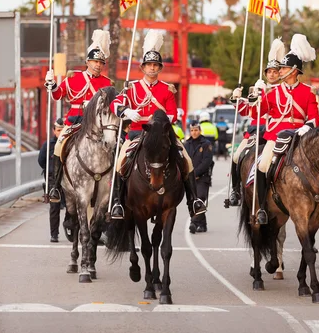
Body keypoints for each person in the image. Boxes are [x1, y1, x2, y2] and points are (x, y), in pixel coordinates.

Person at [109, 30, 206, 219]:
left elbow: (172, 113)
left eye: (155, 65)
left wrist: (163, 121)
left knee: (185, 159)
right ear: (143, 68)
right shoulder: (132, 88)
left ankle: (193, 200)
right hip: (137, 133)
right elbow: (115, 103)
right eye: (149, 65)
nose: (152, 68)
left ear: (159, 68)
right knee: (120, 162)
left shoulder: (167, 90)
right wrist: (126, 111)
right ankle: (117, 203)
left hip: (162, 134)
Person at [251, 33, 319, 224]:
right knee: (263, 166)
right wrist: (257, 96)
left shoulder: (307, 92)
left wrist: (305, 128)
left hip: (300, 137)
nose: (279, 71)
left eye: (284, 68)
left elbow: (314, 118)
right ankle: (263, 208)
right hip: (276, 137)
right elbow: (256, 113)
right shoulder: (272, 92)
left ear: (295, 70)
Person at [43, 29, 112, 203]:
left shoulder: (107, 83)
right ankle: (55, 187)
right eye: (95, 61)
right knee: (59, 146)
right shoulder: (74, 78)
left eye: (101, 62)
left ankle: (115, 190)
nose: (97, 65)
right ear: (87, 61)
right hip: (76, 120)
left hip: (98, 125)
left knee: (114, 146)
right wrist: (51, 85)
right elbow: (58, 95)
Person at [228, 38, 284, 206]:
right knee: (238, 155)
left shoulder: (282, 91)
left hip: (275, 130)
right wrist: (237, 99)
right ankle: (236, 190)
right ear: (266, 74)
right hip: (255, 130)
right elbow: (247, 112)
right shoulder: (258, 88)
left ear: (281, 73)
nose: (272, 74)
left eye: (276, 71)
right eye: (270, 72)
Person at [38, 118, 66, 242]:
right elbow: (41, 161)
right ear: (54, 131)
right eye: (58, 130)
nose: (60, 132)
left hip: (67, 178)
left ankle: (69, 224)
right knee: (54, 207)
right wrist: (49, 172)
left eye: (62, 130)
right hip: (53, 179)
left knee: (72, 205)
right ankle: (54, 234)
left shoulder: (68, 143)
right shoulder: (48, 145)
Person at [185, 122, 214, 233]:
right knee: (192, 200)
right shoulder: (186, 144)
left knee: (200, 198)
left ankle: (193, 222)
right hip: (189, 178)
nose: (194, 132)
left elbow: (207, 161)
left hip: (202, 177)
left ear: (200, 131)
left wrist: (195, 174)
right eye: (192, 130)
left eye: (196, 130)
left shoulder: (206, 144)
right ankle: (203, 224)